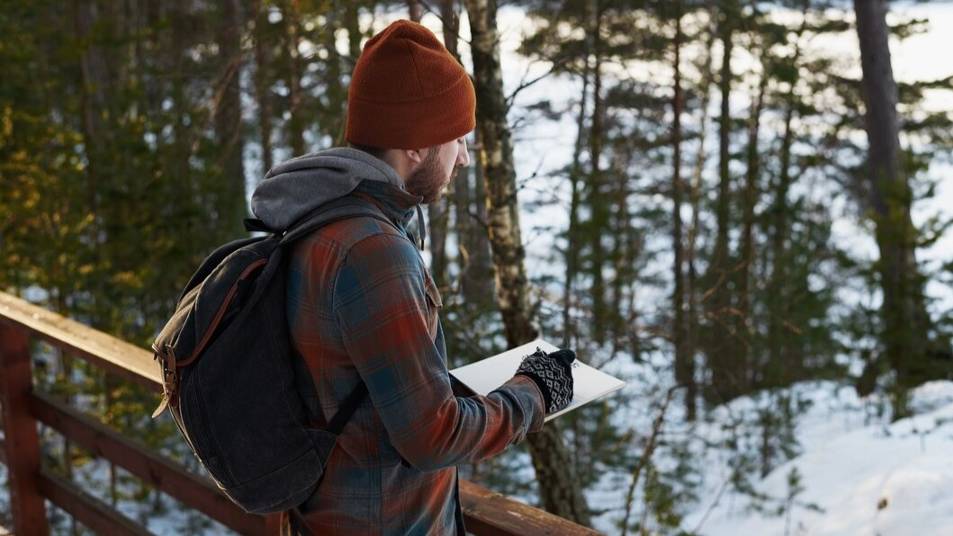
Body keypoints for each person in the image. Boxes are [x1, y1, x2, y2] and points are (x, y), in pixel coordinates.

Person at [249, 19, 576, 535]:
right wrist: (536, 392)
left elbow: (356, 385)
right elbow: (433, 439)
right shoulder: (373, 252)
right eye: (457, 140)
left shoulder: (317, 219)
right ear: (418, 147)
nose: (464, 157)